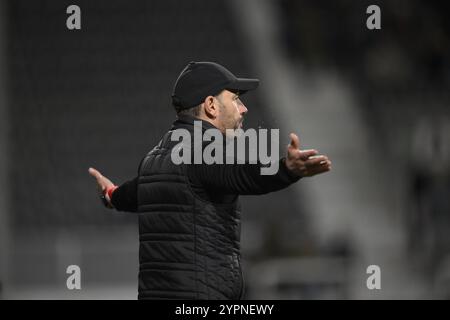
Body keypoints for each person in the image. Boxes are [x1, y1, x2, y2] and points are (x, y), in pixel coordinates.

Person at [88, 61, 331, 299]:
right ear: (211, 105)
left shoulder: (153, 159)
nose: (244, 108)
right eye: (235, 99)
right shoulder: (204, 152)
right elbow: (243, 175)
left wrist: (110, 195)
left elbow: (129, 195)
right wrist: (286, 169)